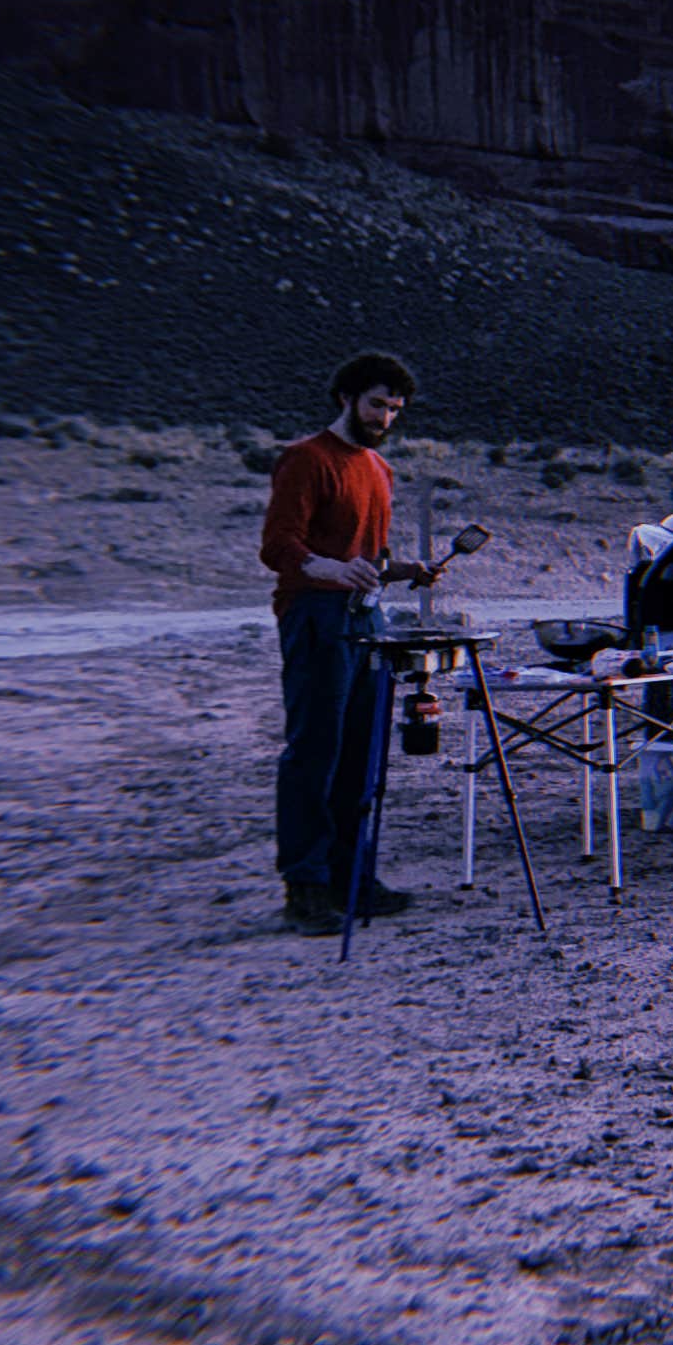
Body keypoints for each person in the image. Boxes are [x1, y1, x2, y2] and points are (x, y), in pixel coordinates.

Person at [261, 351, 425, 934]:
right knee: (315, 750)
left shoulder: (379, 470)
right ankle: (304, 888)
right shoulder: (306, 460)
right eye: (377, 404)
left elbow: (371, 558)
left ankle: (352, 878)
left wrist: (407, 569)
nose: (385, 418)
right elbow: (279, 545)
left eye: (395, 409)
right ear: (346, 398)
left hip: (366, 621)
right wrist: (329, 569)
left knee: (363, 752)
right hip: (315, 615)